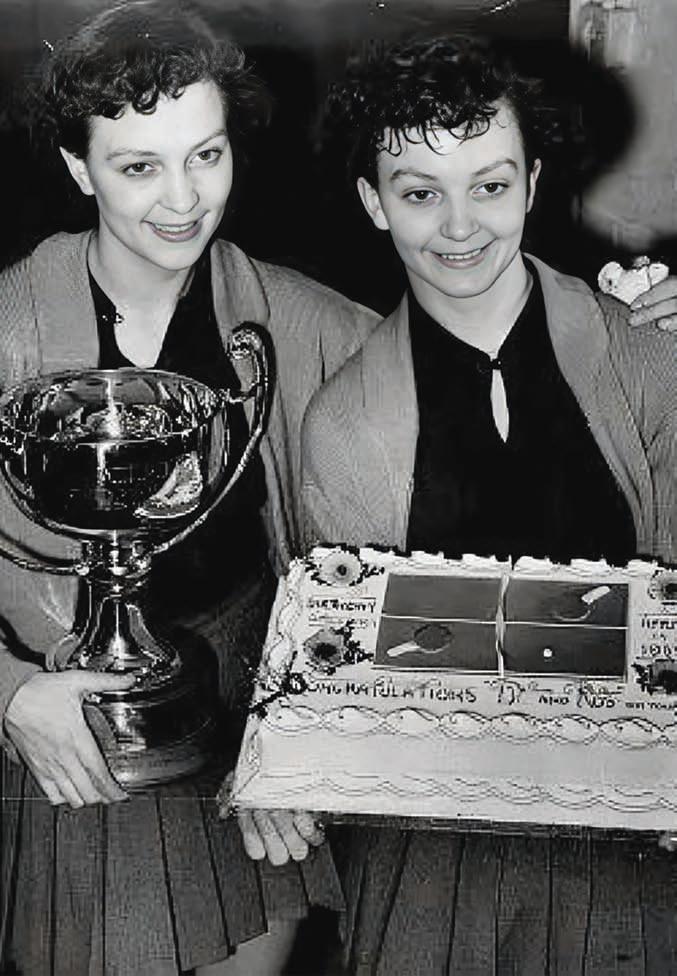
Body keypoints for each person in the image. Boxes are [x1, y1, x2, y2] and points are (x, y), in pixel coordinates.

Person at [0, 3, 377, 975]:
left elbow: (470, 364)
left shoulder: (285, 315)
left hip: (250, 723)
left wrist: (634, 323)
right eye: (139, 167)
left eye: (205, 155)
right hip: (69, 725)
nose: (182, 200)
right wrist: (9, 691)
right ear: (78, 168)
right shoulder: (9, 328)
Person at [297, 35, 677, 976]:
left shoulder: (644, 351)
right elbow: (345, 662)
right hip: (434, 834)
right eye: (419, 192)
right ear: (373, 202)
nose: (459, 226)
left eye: (490, 185)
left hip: (630, 818)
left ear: (532, 183)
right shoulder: (343, 422)